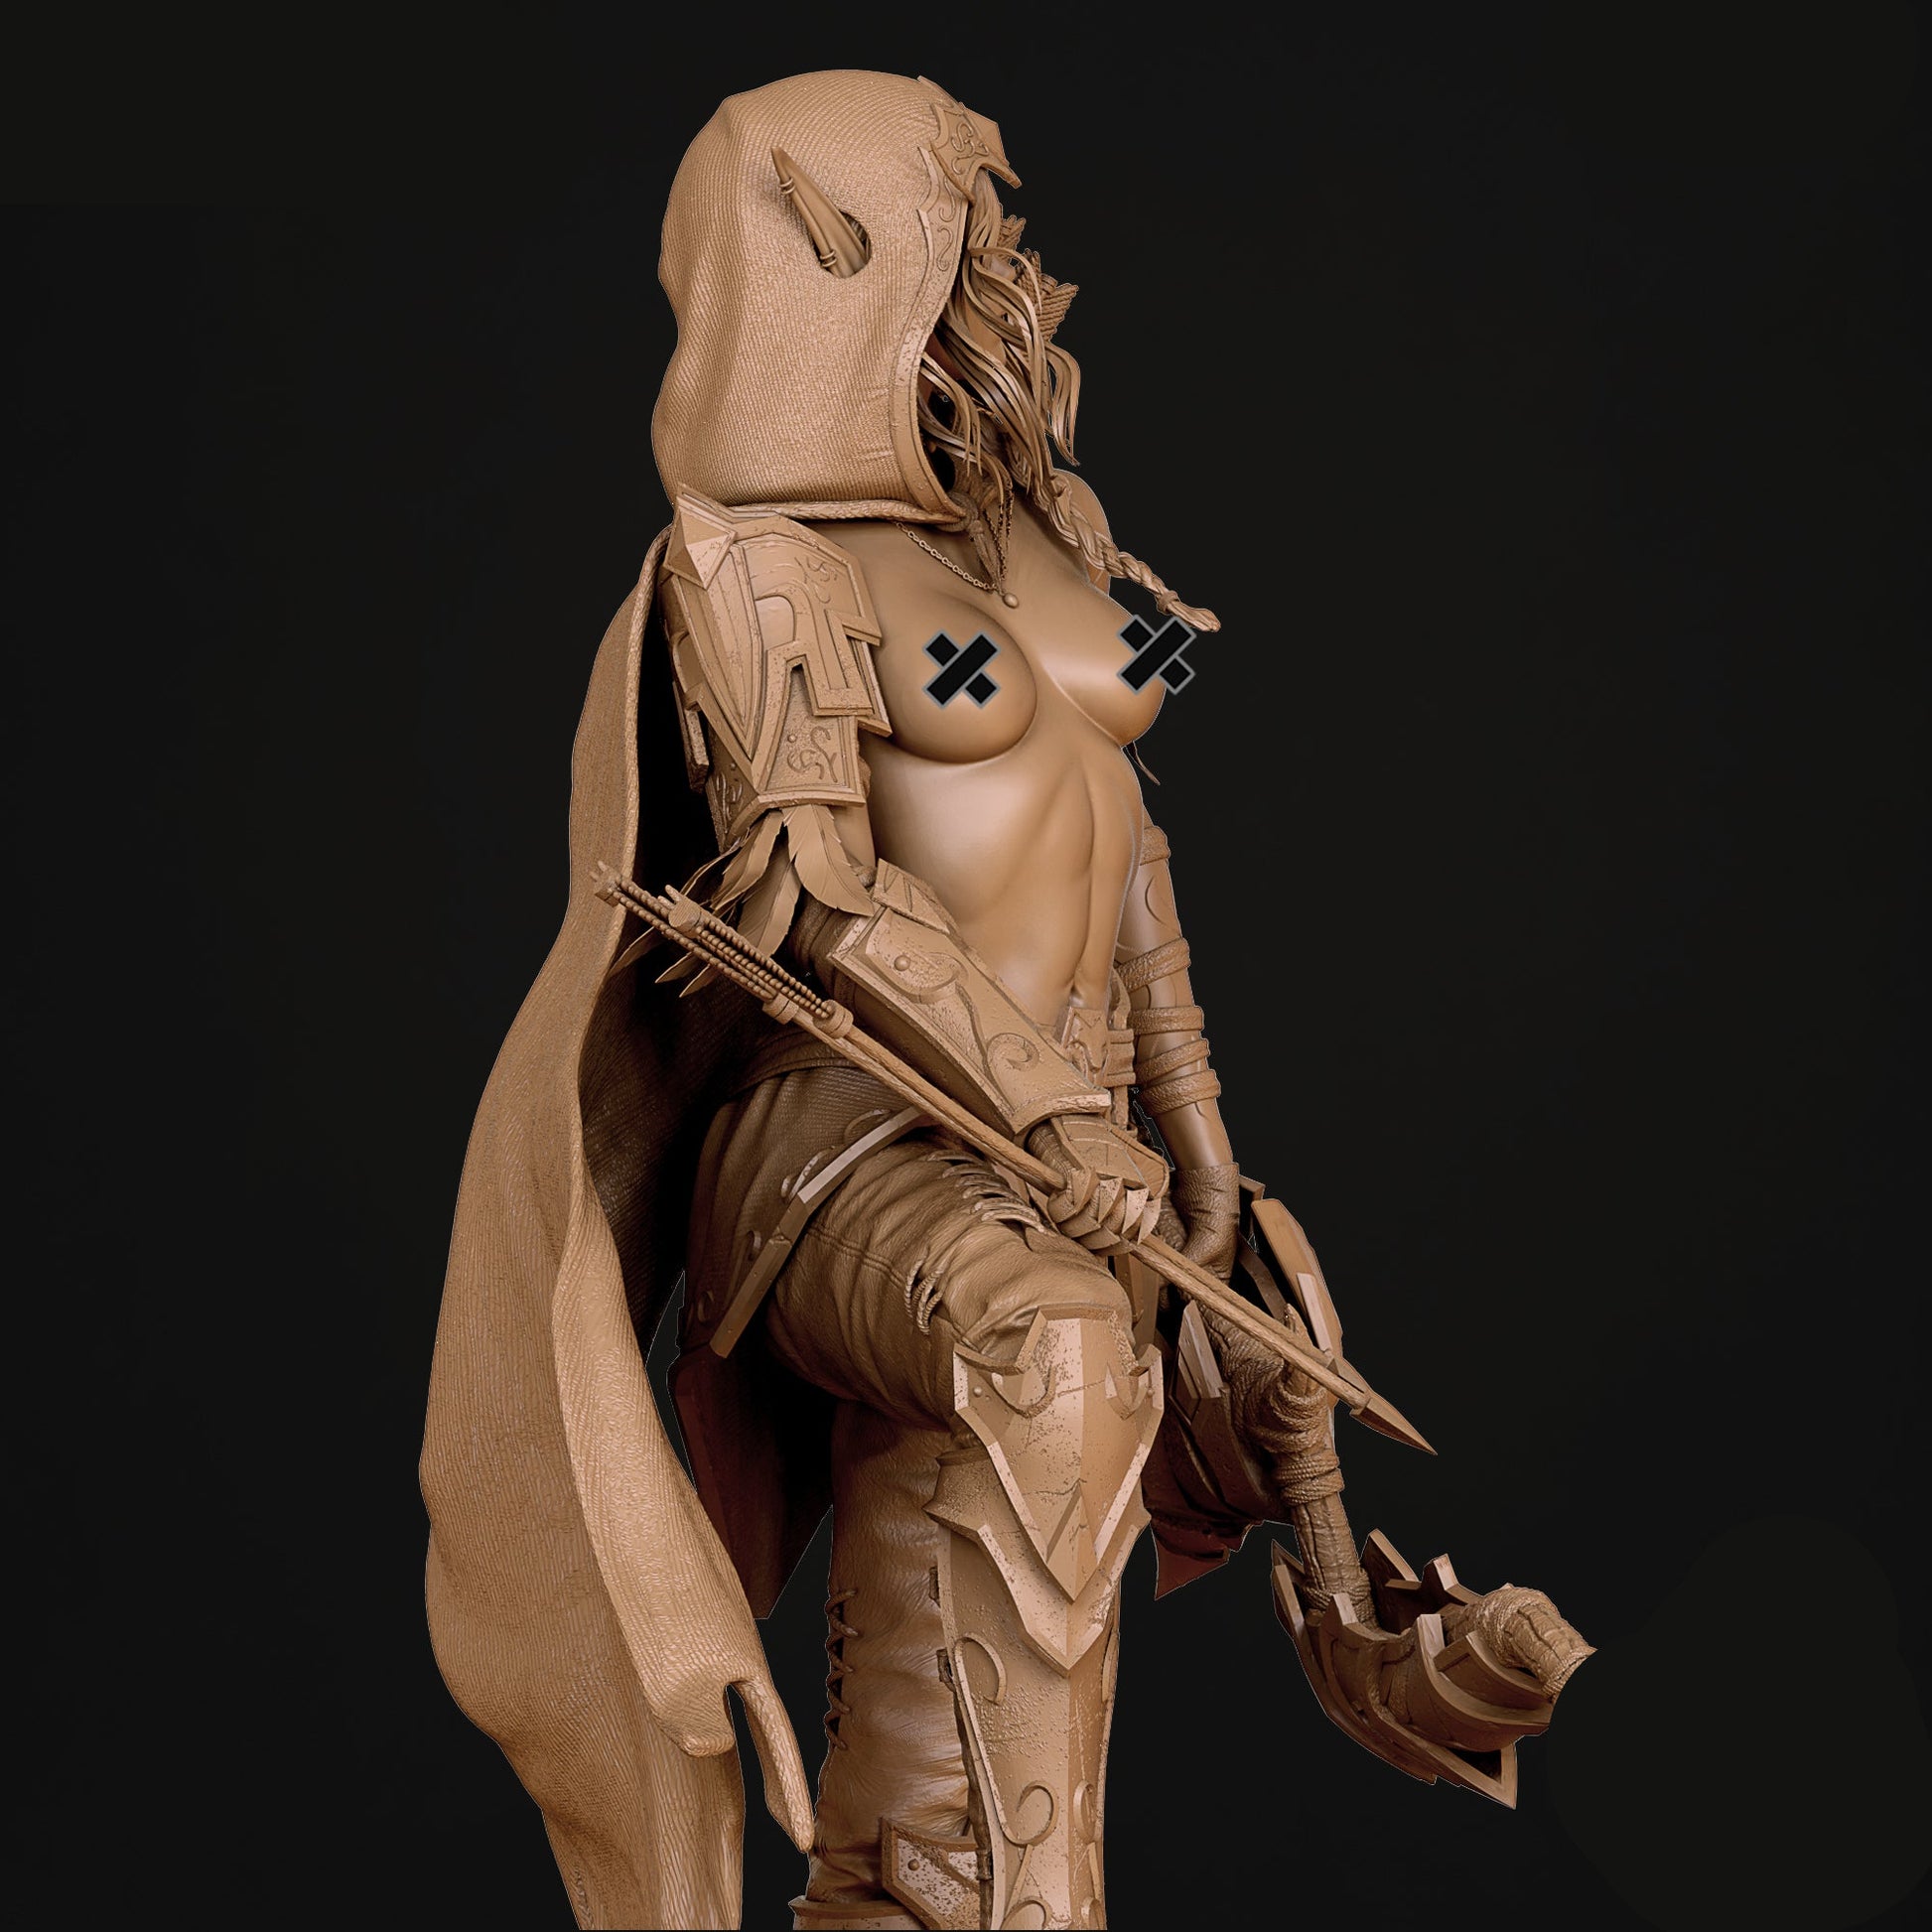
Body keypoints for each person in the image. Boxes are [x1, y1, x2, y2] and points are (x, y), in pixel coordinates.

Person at [422, 69, 1588, 1932]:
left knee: (1229, 1351)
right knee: (1047, 1343)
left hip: (1090, 1131)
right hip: (848, 1140)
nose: (1013, 269)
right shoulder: (757, 566)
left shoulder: (1057, 535)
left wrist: (1192, 1143)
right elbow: (812, 899)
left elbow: (1117, 831)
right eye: (967, 219)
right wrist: (1038, 1112)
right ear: (837, 246)